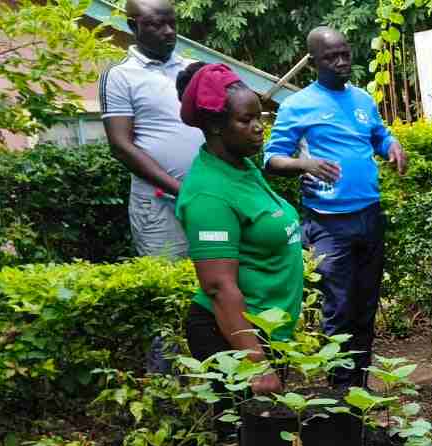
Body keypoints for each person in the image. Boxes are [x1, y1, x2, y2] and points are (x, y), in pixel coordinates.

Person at [264, 26, 407, 388]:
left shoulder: (362, 99)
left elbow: (378, 135)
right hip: (328, 224)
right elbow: (271, 159)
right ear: (313, 62)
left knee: (366, 306)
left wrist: (391, 145)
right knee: (339, 309)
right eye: (332, 57)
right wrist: (304, 165)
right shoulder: (297, 105)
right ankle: (341, 392)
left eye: (345, 54)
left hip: (369, 217)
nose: (342, 62)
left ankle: (360, 385)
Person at [176, 62, 304, 397]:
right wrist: (255, 363)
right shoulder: (208, 193)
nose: (259, 127)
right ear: (216, 126)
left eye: (259, 117)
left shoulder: (243, 166)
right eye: (245, 120)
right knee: (252, 443)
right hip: (235, 338)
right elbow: (219, 287)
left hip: (265, 331)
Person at [100, 0, 206, 372]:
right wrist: (180, 188)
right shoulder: (120, 76)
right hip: (159, 206)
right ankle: (165, 389)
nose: (168, 32)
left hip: (207, 203)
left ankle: (209, 382)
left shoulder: (192, 69)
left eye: (171, 24)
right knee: (168, 297)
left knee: (211, 289)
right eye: (156, 25)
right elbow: (121, 145)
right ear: (133, 27)